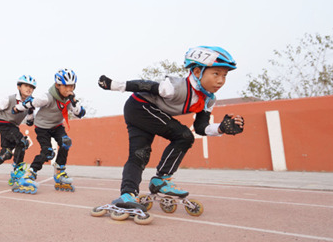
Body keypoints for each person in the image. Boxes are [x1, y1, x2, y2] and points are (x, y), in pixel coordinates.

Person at [97, 45, 244, 214]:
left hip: (149, 113)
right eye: (216, 74)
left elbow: (201, 128)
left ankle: (127, 195)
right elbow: (146, 86)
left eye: (224, 75)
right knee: (183, 136)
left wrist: (221, 128)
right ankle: (159, 180)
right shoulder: (176, 87)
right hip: (139, 107)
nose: (221, 81)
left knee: (140, 154)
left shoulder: (208, 100)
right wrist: (113, 85)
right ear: (197, 72)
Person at [14, 68, 85, 193]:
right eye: (66, 86)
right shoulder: (46, 97)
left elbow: (79, 113)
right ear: (58, 85)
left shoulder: (68, 99)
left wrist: (74, 100)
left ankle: (60, 172)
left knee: (66, 142)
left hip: (57, 126)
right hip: (42, 128)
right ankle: (30, 174)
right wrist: (17, 108)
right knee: (47, 152)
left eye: (72, 86)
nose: (69, 89)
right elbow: (30, 103)